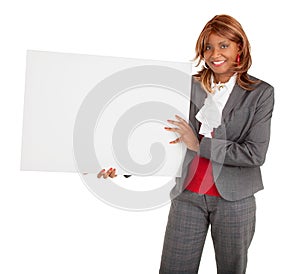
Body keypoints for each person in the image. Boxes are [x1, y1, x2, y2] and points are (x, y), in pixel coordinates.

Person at [98, 14, 274, 274]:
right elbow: (161, 133)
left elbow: (255, 154)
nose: (215, 53)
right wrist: (121, 165)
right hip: (188, 196)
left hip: (235, 200)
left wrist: (199, 144)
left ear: (240, 47)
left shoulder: (260, 92)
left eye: (223, 45)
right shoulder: (187, 85)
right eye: (208, 46)